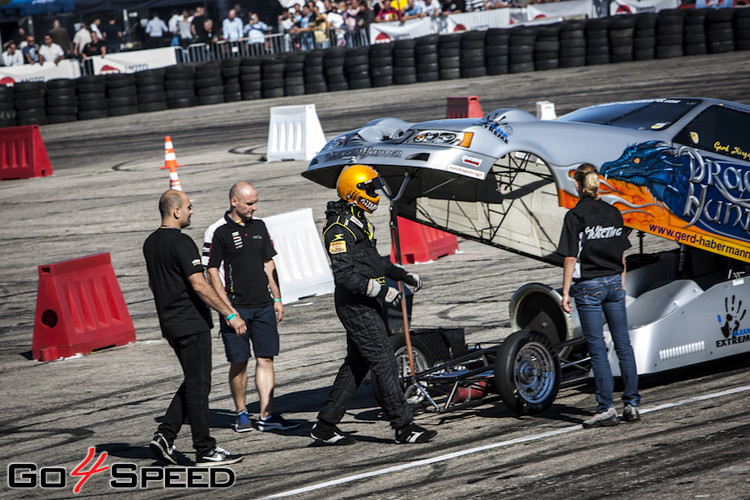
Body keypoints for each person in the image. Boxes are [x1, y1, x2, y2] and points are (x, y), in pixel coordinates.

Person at [311, 164, 436, 446]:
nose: (375, 194)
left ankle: (325, 426)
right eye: (369, 189)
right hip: (355, 305)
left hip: (367, 302)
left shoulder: (359, 221)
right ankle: (404, 427)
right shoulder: (338, 229)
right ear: (354, 192)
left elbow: (373, 262)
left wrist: (400, 274)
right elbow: (344, 275)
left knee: (356, 365)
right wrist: (379, 290)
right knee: (385, 363)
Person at [143, 189, 246, 466]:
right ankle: (205, 449)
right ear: (175, 211)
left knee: (193, 380)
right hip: (191, 322)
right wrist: (229, 314)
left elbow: (154, 285)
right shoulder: (182, 242)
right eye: (188, 207)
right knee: (200, 386)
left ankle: (165, 435)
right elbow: (199, 284)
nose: (191, 211)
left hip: (170, 323)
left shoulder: (150, 243)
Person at [204, 182, 299, 434]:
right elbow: (211, 271)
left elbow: (269, 264)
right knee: (239, 362)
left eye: (256, 202)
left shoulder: (260, 226)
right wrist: (228, 311)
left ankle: (267, 415)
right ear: (234, 202)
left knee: (266, 359)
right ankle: (241, 412)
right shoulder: (218, 231)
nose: (254, 207)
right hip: (236, 308)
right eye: (249, 203)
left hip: (264, 306)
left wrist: (277, 299)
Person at [557, 163, 641, 429]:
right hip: (615, 282)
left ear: (579, 186)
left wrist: (566, 292)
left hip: (590, 286)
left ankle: (606, 408)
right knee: (623, 344)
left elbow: (571, 257)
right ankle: (632, 404)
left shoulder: (574, 216)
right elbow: (622, 256)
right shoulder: (614, 212)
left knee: (598, 349)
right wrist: (622, 285)